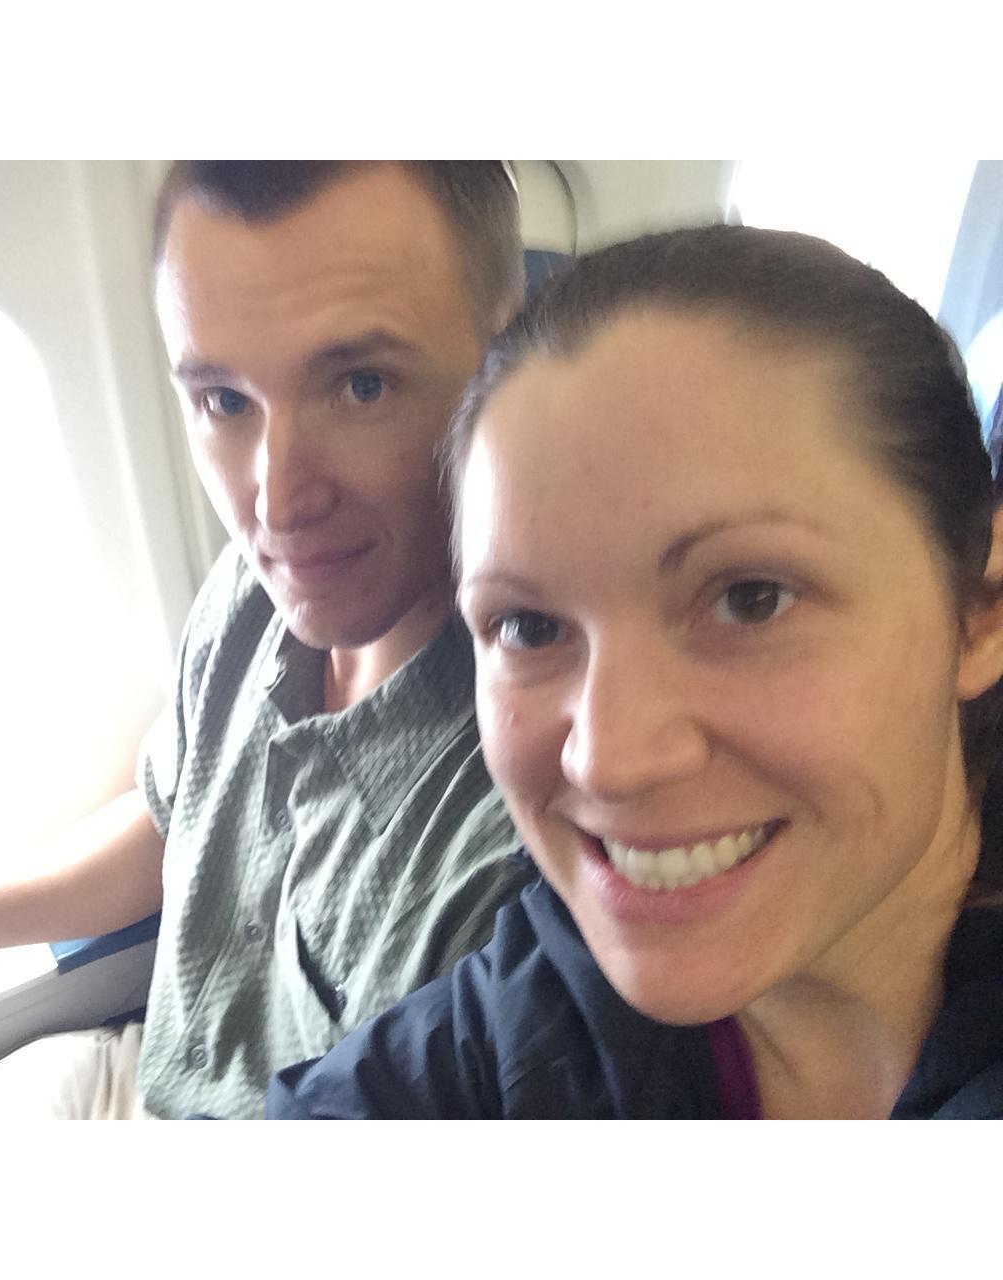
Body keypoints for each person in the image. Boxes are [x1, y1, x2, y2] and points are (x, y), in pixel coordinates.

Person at [0, 162, 536, 1121]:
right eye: (224, 401)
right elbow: (172, 819)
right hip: (142, 1073)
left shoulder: (524, 802)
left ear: (507, 364)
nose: (275, 502)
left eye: (361, 386)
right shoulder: (255, 594)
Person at [266, 223, 1003, 1119]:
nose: (608, 761)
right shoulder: (540, 996)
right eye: (529, 626)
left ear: (980, 611)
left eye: (751, 599)